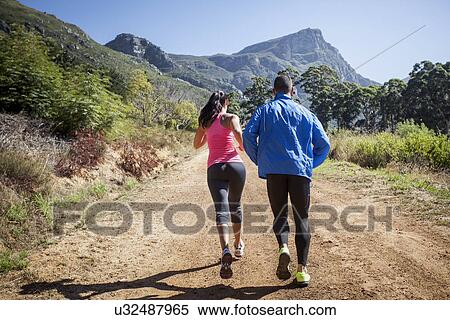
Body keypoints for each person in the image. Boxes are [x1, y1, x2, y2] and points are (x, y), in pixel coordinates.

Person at [243, 75, 330, 286]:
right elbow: (324, 145)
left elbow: (247, 135)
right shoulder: (307, 114)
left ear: (274, 91)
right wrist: (309, 164)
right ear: (293, 91)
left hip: (274, 171)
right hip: (300, 171)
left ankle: (283, 247)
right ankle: (302, 271)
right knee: (302, 219)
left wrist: (261, 160)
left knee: (280, 214)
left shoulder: (264, 110)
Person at [193, 91, 246, 279]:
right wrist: (241, 146)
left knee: (221, 210)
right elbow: (239, 134)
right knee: (236, 205)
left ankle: (225, 251)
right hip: (235, 166)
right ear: (226, 103)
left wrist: (209, 134)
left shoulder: (205, 121)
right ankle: (238, 246)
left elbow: (196, 145)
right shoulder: (231, 117)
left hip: (214, 168)